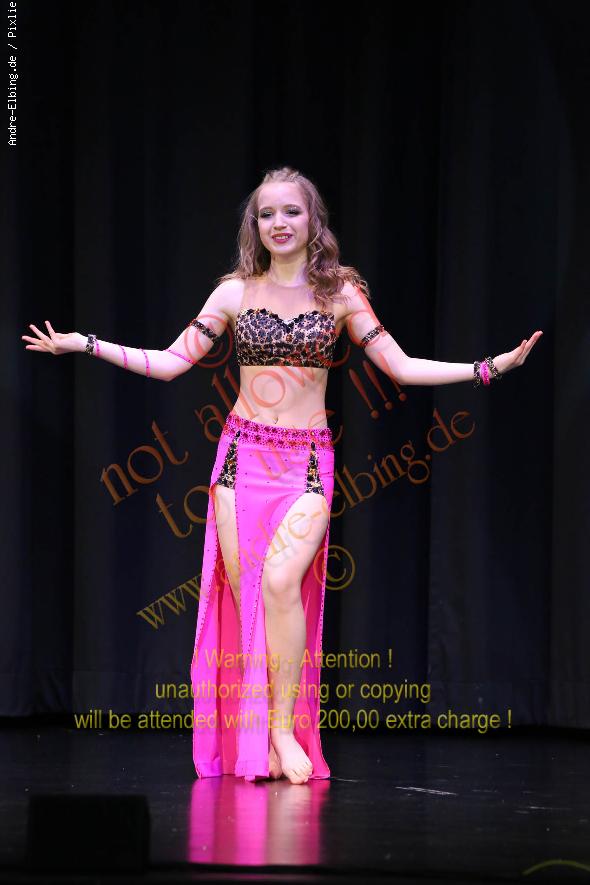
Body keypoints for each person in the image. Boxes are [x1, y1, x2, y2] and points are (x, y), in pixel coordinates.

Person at [21, 166, 543, 785]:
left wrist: (488, 368)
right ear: (255, 225)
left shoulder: (341, 294)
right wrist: (86, 344)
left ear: (312, 219)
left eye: (291, 211)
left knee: (281, 581)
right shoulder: (234, 292)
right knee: (252, 605)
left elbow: (400, 367)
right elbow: (170, 363)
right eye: (266, 214)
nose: (279, 223)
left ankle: (280, 729)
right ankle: (261, 740)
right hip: (241, 462)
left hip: (307, 465)